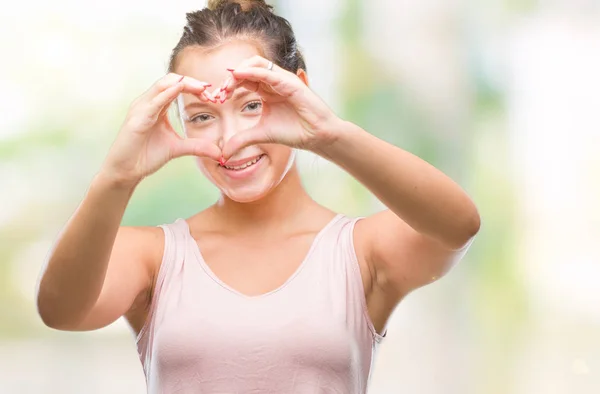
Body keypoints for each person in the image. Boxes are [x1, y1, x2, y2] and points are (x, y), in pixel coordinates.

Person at [35, 0, 480, 392]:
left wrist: (328, 135)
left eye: (251, 106)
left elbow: (458, 226)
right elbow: (60, 310)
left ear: (298, 90)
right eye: (203, 116)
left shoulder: (359, 251)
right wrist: (117, 176)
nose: (231, 141)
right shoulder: (155, 257)